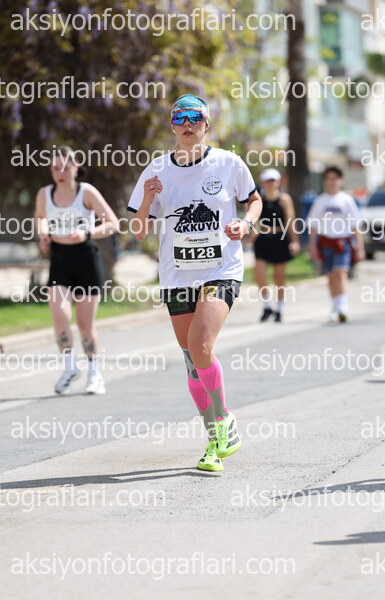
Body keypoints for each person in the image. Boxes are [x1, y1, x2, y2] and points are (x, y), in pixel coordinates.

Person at [128, 94, 262, 472]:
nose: (187, 125)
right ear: (172, 126)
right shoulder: (156, 170)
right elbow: (138, 231)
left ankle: (224, 419)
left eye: (195, 118)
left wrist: (245, 224)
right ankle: (214, 440)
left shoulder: (229, 163)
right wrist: (147, 200)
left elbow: (254, 201)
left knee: (201, 346)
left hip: (221, 270)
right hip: (176, 275)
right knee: (191, 362)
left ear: (207, 124)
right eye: (179, 118)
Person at [34, 146, 118, 394]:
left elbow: (113, 223)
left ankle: (94, 373)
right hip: (60, 260)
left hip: (86, 260)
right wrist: (43, 234)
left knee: (84, 323)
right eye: (55, 168)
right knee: (59, 316)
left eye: (65, 168)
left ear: (76, 168)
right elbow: (40, 217)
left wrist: (87, 233)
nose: (60, 173)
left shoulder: (86, 192)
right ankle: (70, 367)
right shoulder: (45, 194)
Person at [308, 165, 365, 322]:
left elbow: (355, 225)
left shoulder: (347, 200)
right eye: (328, 179)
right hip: (326, 242)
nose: (331, 182)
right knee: (331, 275)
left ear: (340, 180)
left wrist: (359, 247)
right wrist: (312, 246)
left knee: (341, 273)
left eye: (334, 178)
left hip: (342, 242)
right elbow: (313, 225)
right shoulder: (320, 201)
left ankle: (343, 307)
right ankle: (335, 307)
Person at [252, 168, 299, 322]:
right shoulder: (258, 199)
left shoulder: (284, 199)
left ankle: (279, 309)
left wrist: (294, 241)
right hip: (263, 239)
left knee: (279, 277)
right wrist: (252, 232)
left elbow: (290, 221)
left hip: (280, 238)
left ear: (278, 182)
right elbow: (254, 218)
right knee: (260, 274)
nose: (270, 183)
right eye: (268, 180)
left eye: (273, 180)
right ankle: (266, 306)